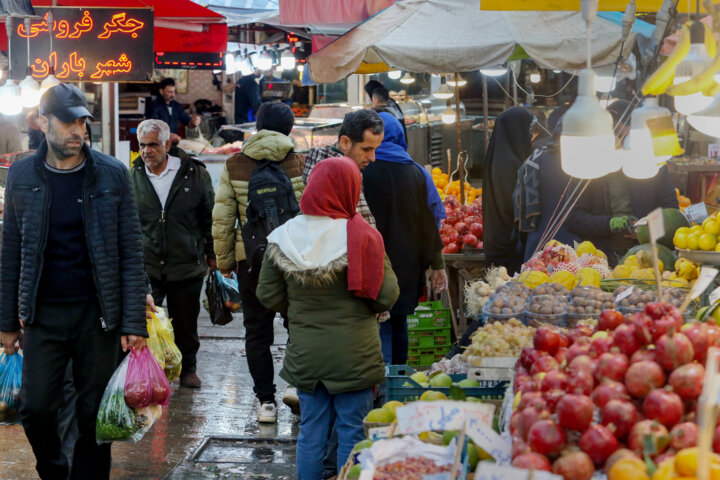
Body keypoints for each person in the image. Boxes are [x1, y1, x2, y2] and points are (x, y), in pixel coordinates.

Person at [0, 83, 148, 479]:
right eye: (68, 122)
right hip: (42, 316)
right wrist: (6, 323)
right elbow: (10, 251)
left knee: (94, 414)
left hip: (97, 317)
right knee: (36, 409)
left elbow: (131, 250)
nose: (78, 130)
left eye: (83, 121)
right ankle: (53, 469)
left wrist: (134, 322)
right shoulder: (22, 175)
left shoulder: (111, 174)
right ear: (43, 122)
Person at [256, 156, 399, 480]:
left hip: (307, 355)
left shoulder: (284, 236)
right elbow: (386, 296)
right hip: (355, 356)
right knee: (351, 430)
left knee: (311, 432)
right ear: (350, 189)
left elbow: (267, 295)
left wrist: (298, 307)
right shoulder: (364, 237)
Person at [212, 102, 305, 423]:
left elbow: (223, 217)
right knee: (300, 325)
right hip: (295, 259)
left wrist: (225, 261)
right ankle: (294, 384)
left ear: (257, 126)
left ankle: (266, 403)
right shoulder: (299, 162)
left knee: (256, 331)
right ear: (289, 129)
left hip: (250, 261)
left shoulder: (235, 164)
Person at [130, 119, 216, 388]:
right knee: (143, 322)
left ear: (168, 144)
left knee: (186, 322)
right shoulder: (132, 177)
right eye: (142, 145)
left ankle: (188, 368)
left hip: (186, 263)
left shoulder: (194, 173)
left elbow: (209, 216)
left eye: (153, 145)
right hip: (147, 265)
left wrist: (213, 254)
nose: (146, 151)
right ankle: (145, 371)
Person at [362, 112, 447, 365]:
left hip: (370, 259)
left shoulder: (363, 169)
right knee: (398, 322)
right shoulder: (416, 173)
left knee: (371, 324)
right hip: (407, 263)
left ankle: (378, 381)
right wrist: (437, 263)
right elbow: (428, 224)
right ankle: (396, 379)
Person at [304, 109, 385, 226]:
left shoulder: (319, 164)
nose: (373, 158)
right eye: (366, 149)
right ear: (345, 142)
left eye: (375, 149)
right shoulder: (341, 179)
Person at [482, 107, 535, 274]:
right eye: (529, 129)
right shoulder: (510, 164)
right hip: (509, 246)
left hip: (497, 239)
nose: (531, 135)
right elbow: (513, 207)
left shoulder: (498, 156)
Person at [146, 78, 201, 142]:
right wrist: (168, 135)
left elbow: (188, 122)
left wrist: (194, 122)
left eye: (174, 91)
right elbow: (152, 127)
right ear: (161, 91)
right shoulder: (154, 106)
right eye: (170, 92)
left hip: (172, 144)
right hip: (158, 144)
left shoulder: (176, 106)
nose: (173, 95)